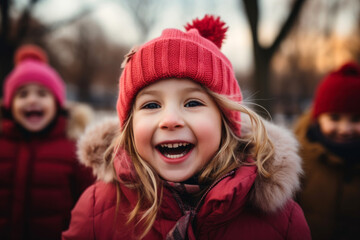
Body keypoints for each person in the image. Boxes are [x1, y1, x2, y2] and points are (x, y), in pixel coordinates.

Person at [62, 15, 310, 240]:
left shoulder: (281, 221)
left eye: (192, 102)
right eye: (151, 105)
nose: (170, 119)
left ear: (225, 121)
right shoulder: (96, 210)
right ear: (129, 125)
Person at [0, 44, 95, 240]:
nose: (32, 100)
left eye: (42, 94)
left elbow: (90, 202)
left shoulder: (74, 150)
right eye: (22, 94)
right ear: (9, 105)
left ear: (57, 104)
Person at [294, 61, 360, 240]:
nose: (345, 129)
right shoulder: (298, 161)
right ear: (317, 118)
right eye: (334, 118)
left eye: (356, 119)